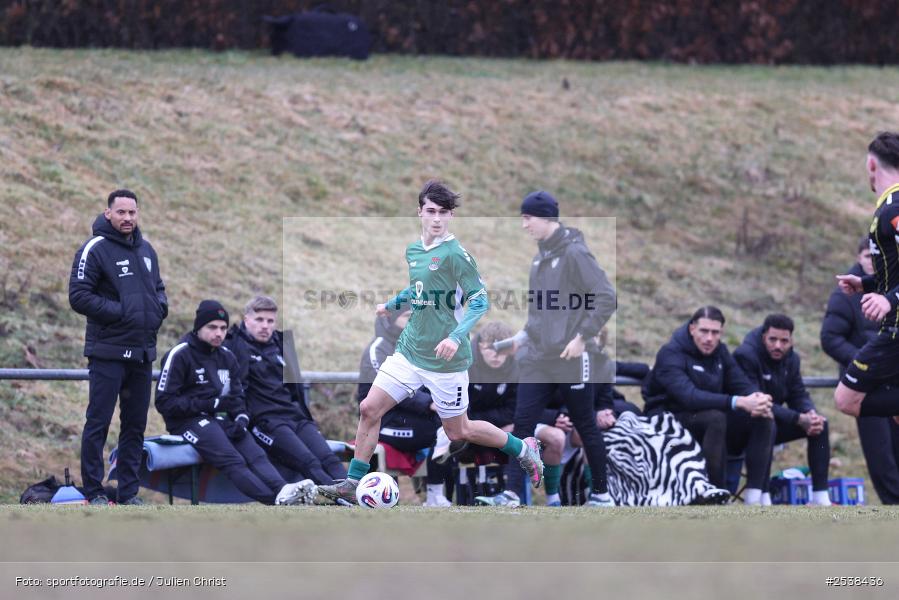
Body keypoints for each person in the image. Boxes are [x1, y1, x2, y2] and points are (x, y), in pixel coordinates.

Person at [316, 180, 543, 505]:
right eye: (431, 211)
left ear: (450, 217)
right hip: (409, 352)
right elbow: (419, 290)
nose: (437, 218)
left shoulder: (456, 256)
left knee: (458, 431)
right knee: (369, 408)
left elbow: (479, 301)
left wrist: (455, 336)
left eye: (444, 212)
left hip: (445, 362)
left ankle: (523, 448)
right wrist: (393, 304)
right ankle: (353, 484)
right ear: (420, 212)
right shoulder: (414, 251)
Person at [504, 190, 618, 507]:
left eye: (527, 219)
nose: (524, 225)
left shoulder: (575, 254)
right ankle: (512, 494)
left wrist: (581, 338)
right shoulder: (539, 258)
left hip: (572, 358)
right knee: (522, 422)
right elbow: (538, 315)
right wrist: (519, 338)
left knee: (585, 423)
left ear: (545, 217)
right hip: (539, 359)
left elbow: (607, 297)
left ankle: (601, 495)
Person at [155, 300, 315, 506]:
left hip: (220, 419)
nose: (218, 333)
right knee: (232, 459)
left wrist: (241, 417)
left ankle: (284, 490)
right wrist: (209, 405)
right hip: (188, 422)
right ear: (198, 327)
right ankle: (276, 500)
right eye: (212, 327)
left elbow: (237, 396)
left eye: (223, 328)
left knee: (255, 453)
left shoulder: (227, 356)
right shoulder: (180, 354)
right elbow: (164, 402)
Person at [68, 189, 167, 505]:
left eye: (132, 212)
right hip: (107, 352)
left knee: (135, 427)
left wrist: (157, 310)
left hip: (141, 353)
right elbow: (79, 296)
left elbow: (159, 291)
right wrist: (122, 313)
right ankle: (94, 491)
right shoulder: (94, 249)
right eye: (121, 212)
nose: (127, 218)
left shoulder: (147, 251)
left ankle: (128, 493)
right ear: (108, 213)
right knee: (98, 423)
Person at [642, 306, 775, 504]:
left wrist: (757, 398)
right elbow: (688, 397)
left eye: (715, 332)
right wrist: (737, 401)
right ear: (692, 329)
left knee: (763, 418)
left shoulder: (720, 352)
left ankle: (755, 498)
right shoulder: (671, 352)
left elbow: (739, 382)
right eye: (704, 331)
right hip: (667, 418)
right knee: (716, 418)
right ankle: (715, 494)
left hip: (707, 418)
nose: (709, 338)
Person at [225, 295, 347, 485]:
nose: (265, 326)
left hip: (295, 417)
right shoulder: (233, 345)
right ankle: (339, 498)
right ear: (246, 319)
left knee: (330, 459)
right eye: (259, 320)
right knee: (310, 463)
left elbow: (295, 390)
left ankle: (356, 496)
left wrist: (306, 418)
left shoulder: (282, 344)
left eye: (270, 321)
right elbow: (233, 389)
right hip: (267, 422)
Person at [821, 236, 899, 504]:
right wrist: (866, 365)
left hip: (892, 378)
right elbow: (829, 338)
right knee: (880, 451)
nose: (872, 261)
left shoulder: (891, 288)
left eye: (876, 256)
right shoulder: (845, 295)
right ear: (859, 257)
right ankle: (892, 504)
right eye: (868, 256)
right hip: (864, 384)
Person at [356, 307, 451, 507]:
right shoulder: (378, 348)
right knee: (440, 430)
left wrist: (440, 401)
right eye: (408, 316)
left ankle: (436, 494)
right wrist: (429, 403)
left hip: (410, 417)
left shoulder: (415, 347)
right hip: (384, 421)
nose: (413, 322)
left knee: (450, 427)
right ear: (391, 319)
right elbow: (389, 390)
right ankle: (431, 494)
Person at [834, 131, 899, 421]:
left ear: (872, 166)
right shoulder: (888, 206)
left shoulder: (894, 208)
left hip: (895, 331)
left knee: (846, 399)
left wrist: (890, 301)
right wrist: (867, 284)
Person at [734, 314, 832, 506]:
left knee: (821, 424)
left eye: (784, 340)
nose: (778, 345)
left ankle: (821, 497)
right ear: (764, 337)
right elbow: (757, 400)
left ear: (791, 340)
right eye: (773, 339)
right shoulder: (745, 355)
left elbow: (797, 393)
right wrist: (797, 418)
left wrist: (810, 413)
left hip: (774, 421)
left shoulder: (792, 359)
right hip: (743, 425)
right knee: (765, 422)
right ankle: (757, 497)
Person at [468, 321, 566, 507]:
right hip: (476, 430)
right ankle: (437, 495)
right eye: (490, 348)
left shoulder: (521, 366)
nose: (496, 354)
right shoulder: (466, 366)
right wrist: (494, 426)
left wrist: (559, 415)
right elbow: (464, 412)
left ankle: (553, 499)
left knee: (557, 438)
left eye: (502, 348)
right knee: (448, 435)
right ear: (480, 347)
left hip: (515, 426)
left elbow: (522, 409)